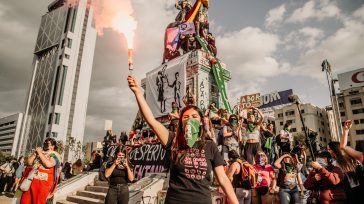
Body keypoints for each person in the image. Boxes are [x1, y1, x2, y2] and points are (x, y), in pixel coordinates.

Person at [127, 75, 238, 204]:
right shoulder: (173, 140)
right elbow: (151, 121)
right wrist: (138, 93)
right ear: (181, 122)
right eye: (186, 117)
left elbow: (223, 180)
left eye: (194, 116)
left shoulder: (210, 146)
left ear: (201, 122)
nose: (190, 119)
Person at [20, 137, 61, 204]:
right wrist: (35, 154)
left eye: (48, 143)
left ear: (53, 146)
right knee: (24, 201)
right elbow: (29, 163)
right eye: (44, 142)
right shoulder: (40, 153)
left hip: (43, 183)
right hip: (31, 180)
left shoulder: (54, 154)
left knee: (38, 202)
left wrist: (40, 153)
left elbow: (49, 164)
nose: (45, 144)